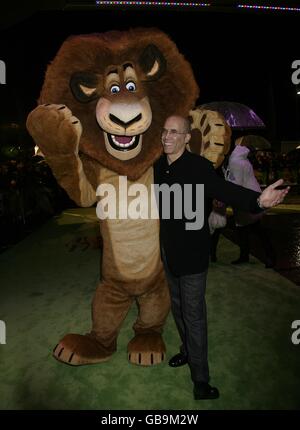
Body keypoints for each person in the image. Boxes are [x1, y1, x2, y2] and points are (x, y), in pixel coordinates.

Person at [154, 115, 289, 400]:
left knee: (194, 316)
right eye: (164, 131)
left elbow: (225, 190)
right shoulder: (157, 167)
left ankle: (201, 380)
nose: (167, 136)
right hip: (169, 252)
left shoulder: (199, 168)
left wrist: (257, 201)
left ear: (187, 137)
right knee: (178, 310)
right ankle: (187, 352)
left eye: (174, 132)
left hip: (193, 256)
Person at [225, 142, 276, 267]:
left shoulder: (235, 161)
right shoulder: (242, 159)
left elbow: (236, 184)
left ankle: (270, 256)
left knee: (255, 229)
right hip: (251, 197)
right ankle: (250, 255)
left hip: (247, 200)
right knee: (247, 229)